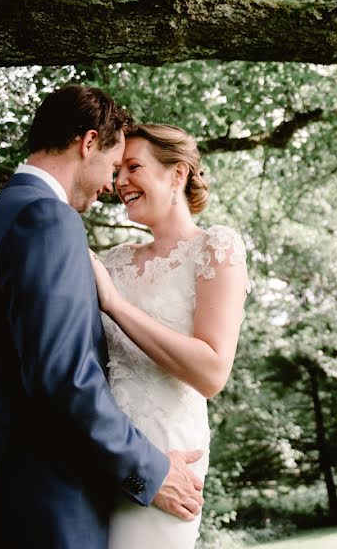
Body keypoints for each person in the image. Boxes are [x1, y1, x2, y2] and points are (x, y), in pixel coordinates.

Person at [0, 86, 204, 549]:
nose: (109, 186)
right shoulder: (48, 218)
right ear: (87, 143)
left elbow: (5, 359)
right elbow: (61, 376)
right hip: (40, 504)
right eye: (112, 163)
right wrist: (152, 472)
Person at [88, 123, 250, 548]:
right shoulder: (113, 262)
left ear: (177, 174)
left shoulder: (216, 248)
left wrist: (117, 307)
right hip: (98, 460)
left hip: (168, 460)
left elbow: (212, 372)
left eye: (134, 167)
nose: (119, 181)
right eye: (117, 170)